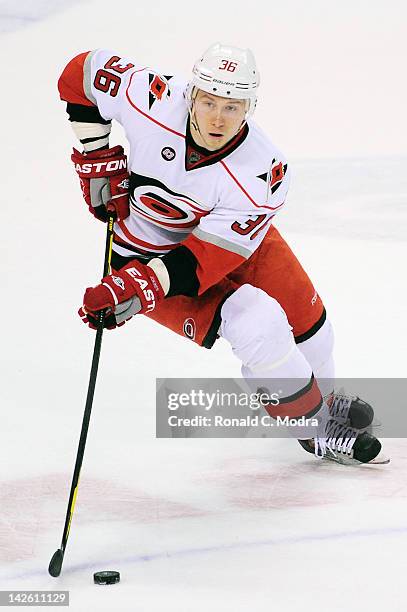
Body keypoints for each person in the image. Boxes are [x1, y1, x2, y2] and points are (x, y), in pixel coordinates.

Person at [58, 43, 386, 465]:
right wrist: (95, 153)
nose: (216, 118)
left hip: (223, 244)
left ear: (250, 106)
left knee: (314, 329)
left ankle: (321, 396)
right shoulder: (152, 98)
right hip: (140, 252)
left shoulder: (263, 170)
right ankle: (315, 429)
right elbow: (80, 72)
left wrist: (139, 288)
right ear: (191, 93)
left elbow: (202, 261)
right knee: (257, 322)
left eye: (231, 107)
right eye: (209, 101)